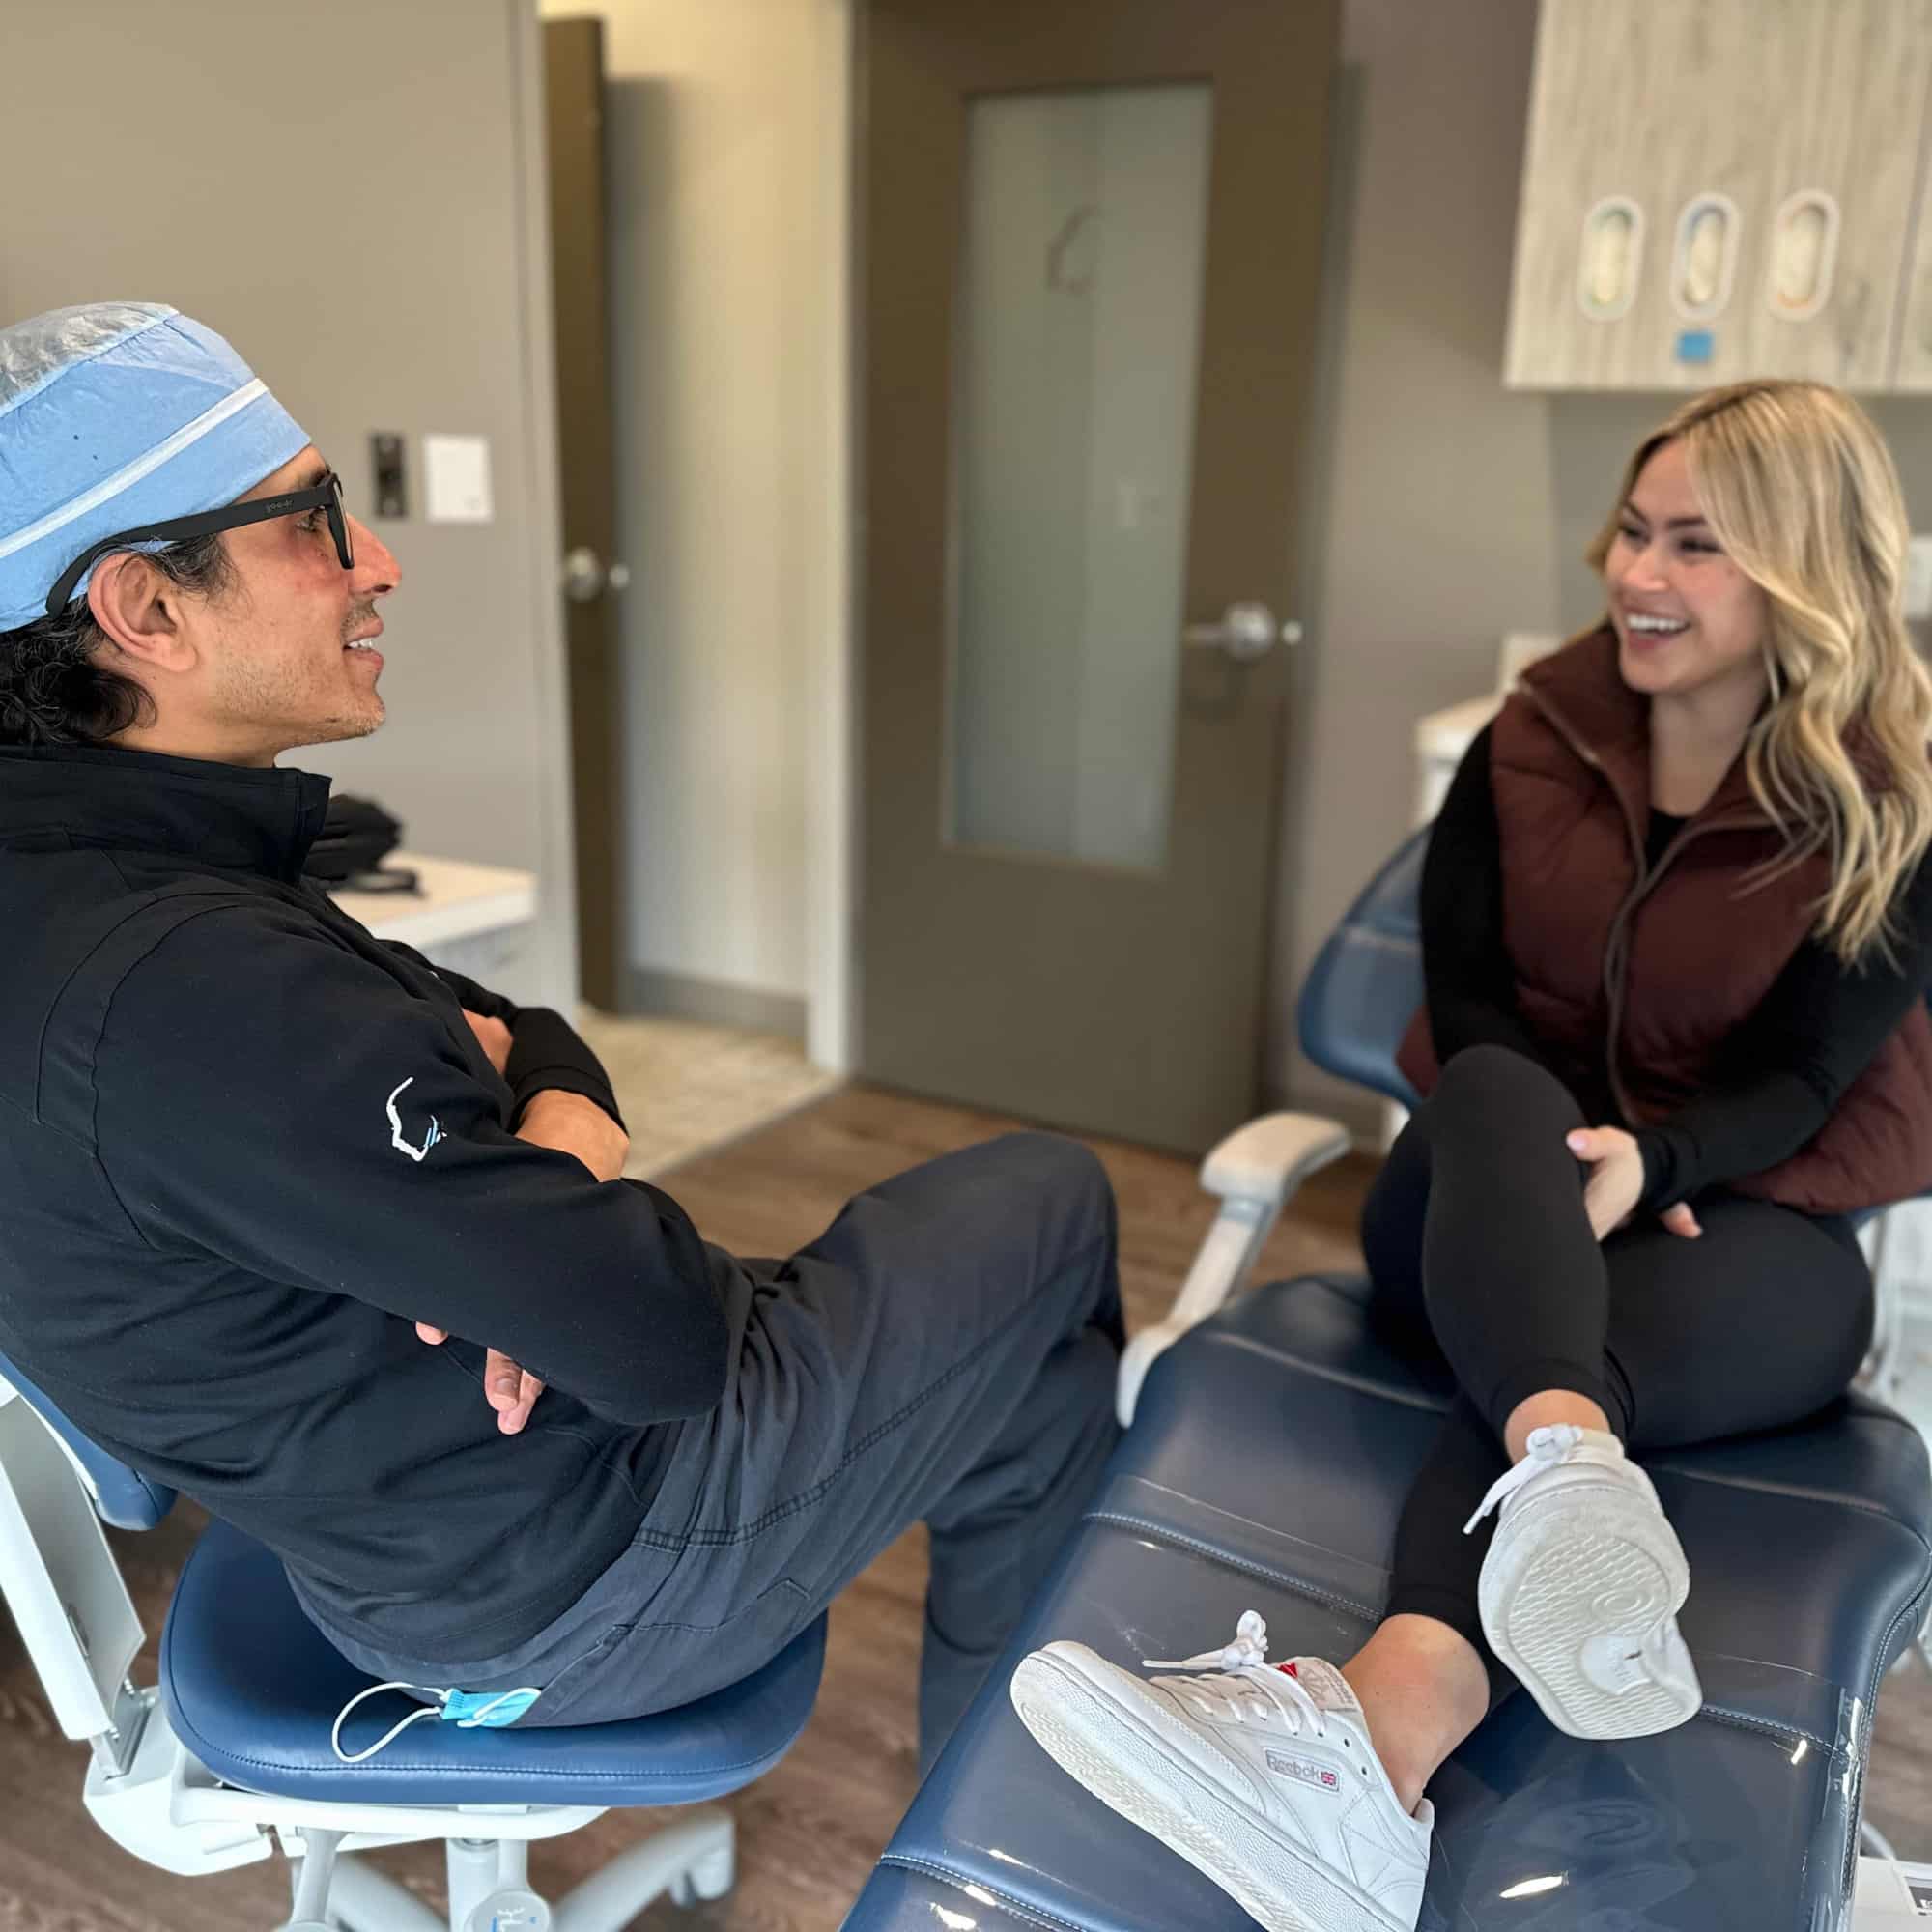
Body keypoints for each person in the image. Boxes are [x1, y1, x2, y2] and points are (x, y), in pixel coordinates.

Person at [0, 302, 1124, 1776]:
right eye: (317, 523)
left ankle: (1030, 1790)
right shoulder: (189, 982)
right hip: (568, 1584)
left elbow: (516, 1028)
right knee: (1048, 1196)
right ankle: (1040, 1797)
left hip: (426, 1504)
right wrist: (546, 1197)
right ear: (148, 608)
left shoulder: (107, 877)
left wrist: (557, 1134)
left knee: (1026, 1377)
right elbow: (659, 1340)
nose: (378, 563)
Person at [1009, 378, 1932, 1932]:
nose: (1636, 573)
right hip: (1488, 1190)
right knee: (1497, 1088)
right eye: (1632, 531)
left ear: (1803, 570)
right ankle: (1564, 1459)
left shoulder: (1889, 808)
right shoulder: (1532, 735)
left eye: (1694, 544)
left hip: (1729, 1223)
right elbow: (1469, 999)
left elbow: (1805, 1078)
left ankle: (1375, 1748)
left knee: (1565, 1352)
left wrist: (1657, 1164)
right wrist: (1569, 1174)